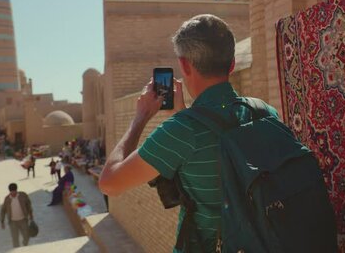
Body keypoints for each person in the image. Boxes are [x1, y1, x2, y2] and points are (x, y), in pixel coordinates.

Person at [99, 14, 278, 252]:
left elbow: (110, 184)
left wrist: (140, 118)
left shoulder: (181, 131)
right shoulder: (264, 111)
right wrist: (183, 114)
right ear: (232, 64)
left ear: (184, 65)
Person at [0, 183, 33, 248]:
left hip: (23, 220)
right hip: (13, 222)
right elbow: (3, 210)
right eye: (12, 192)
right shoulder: (7, 199)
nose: (13, 193)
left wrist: (31, 214)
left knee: (27, 236)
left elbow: (28, 205)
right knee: (15, 239)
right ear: (10, 191)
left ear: (16, 190)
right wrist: (2, 221)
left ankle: (24, 247)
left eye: (14, 191)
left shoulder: (23, 195)